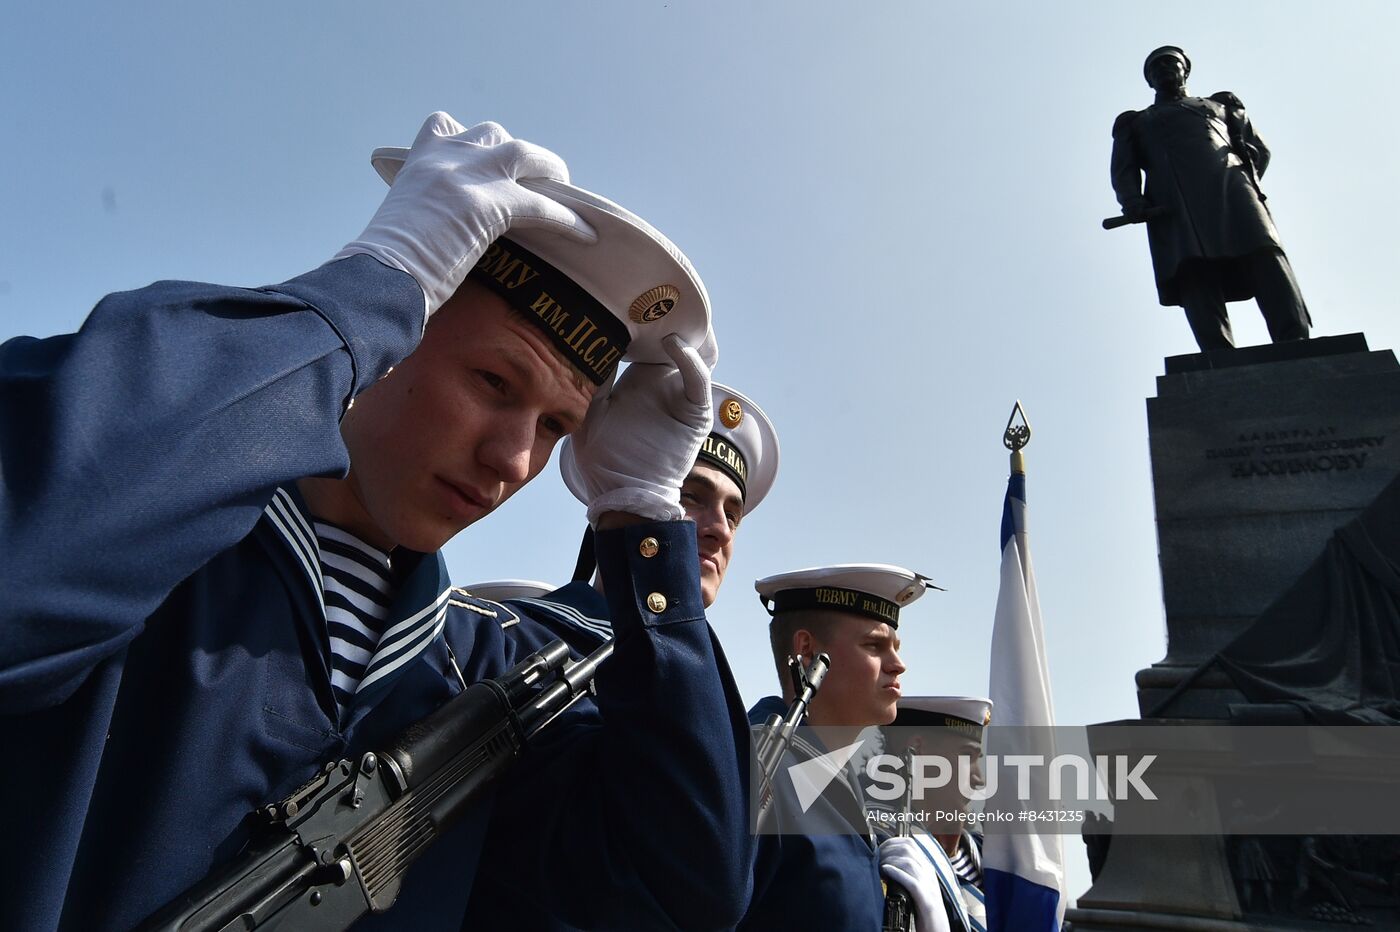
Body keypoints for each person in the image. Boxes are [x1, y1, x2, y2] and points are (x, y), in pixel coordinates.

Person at [0, 112, 751, 931]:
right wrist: (363, 294)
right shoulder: (170, 534)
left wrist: (642, 519)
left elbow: (686, 884)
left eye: (554, 428)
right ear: (398, 335)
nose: (512, 460)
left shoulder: (483, 668)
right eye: (496, 383)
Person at [458, 382, 779, 929]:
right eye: (693, 496)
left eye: (733, 512)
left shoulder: (709, 703)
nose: (721, 527)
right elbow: (705, 889)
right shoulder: (516, 641)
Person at [740, 564, 934, 931]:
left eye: (896, 647)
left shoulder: (834, 781)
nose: (898, 665)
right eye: (875, 645)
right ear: (807, 651)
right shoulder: (754, 773)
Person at [1110, 45, 1311, 351]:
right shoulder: (1136, 122)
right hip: (1175, 201)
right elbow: (1123, 169)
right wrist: (1132, 201)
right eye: (1155, 67)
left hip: (1232, 189)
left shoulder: (1220, 106)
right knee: (1193, 270)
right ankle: (1217, 354)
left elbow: (1258, 148)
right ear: (1149, 81)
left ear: (1185, 71)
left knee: (1265, 254)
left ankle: (1295, 338)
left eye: (1170, 63)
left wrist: (1246, 179)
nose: (1163, 69)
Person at [875, 696, 994, 932]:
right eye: (967, 756)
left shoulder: (985, 853)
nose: (980, 779)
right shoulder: (881, 854)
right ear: (917, 752)